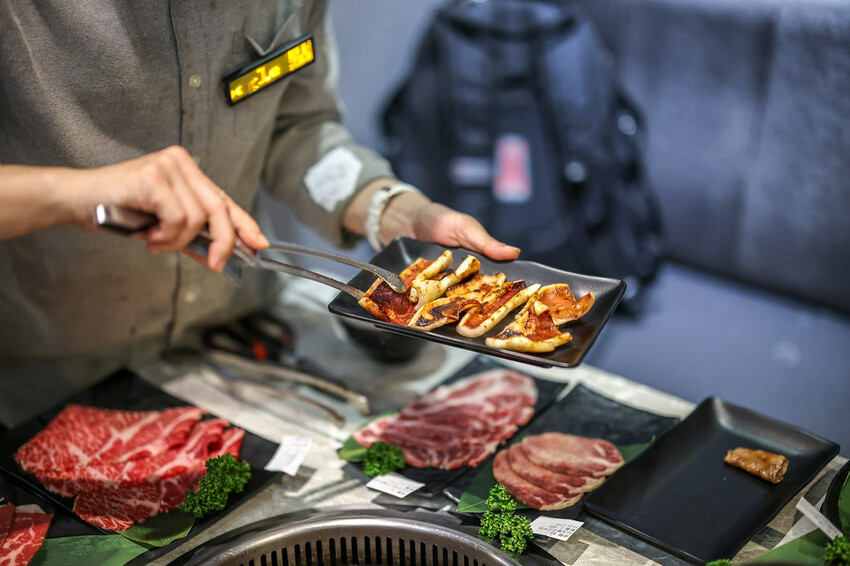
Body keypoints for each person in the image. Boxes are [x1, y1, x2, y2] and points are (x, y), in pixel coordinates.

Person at [0, 1, 520, 427]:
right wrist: (73, 192)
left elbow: (297, 128)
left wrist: (393, 209)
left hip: (240, 348)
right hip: (49, 380)